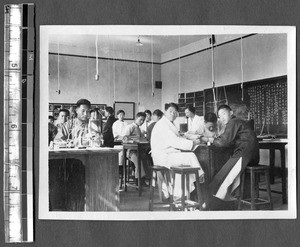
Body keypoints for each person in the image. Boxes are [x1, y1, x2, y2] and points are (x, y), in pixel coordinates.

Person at [208, 104, 259, 209]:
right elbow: (229, 140)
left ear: (231, 113)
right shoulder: (236, 122)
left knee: (223, 173)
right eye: (219, 116)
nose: (222, 117)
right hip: (251, 154)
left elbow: (223, 142)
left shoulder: (233, 122)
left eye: (224, 114)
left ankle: (215, 202)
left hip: (245, 153)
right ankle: (227, 200)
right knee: (225, 172)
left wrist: (210, 139)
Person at [151, 102, 204, 200]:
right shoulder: (162, 125)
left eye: (175, 112)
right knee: (191, 156)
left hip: (168, 154)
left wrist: (194, 138)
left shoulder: (169, 124)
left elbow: (180, 135)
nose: (173, 114)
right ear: (165, 112)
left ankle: (182, 194)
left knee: (186, 162)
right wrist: (193, 143)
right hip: (164, 157)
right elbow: (175, 141)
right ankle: (199, 177)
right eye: (171, 111)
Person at [123, 112, 150, 185]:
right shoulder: (130, 127)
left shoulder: (139, 129)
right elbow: (124, 139)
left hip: (139, 150)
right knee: (139, 162)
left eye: (143, 120)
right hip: (130, 151)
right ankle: (139, 181)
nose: (142, 122)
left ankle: (143, 179)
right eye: (140, 120)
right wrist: (133, 141)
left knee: (146, 160)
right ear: (136, 118)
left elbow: (142, 139)